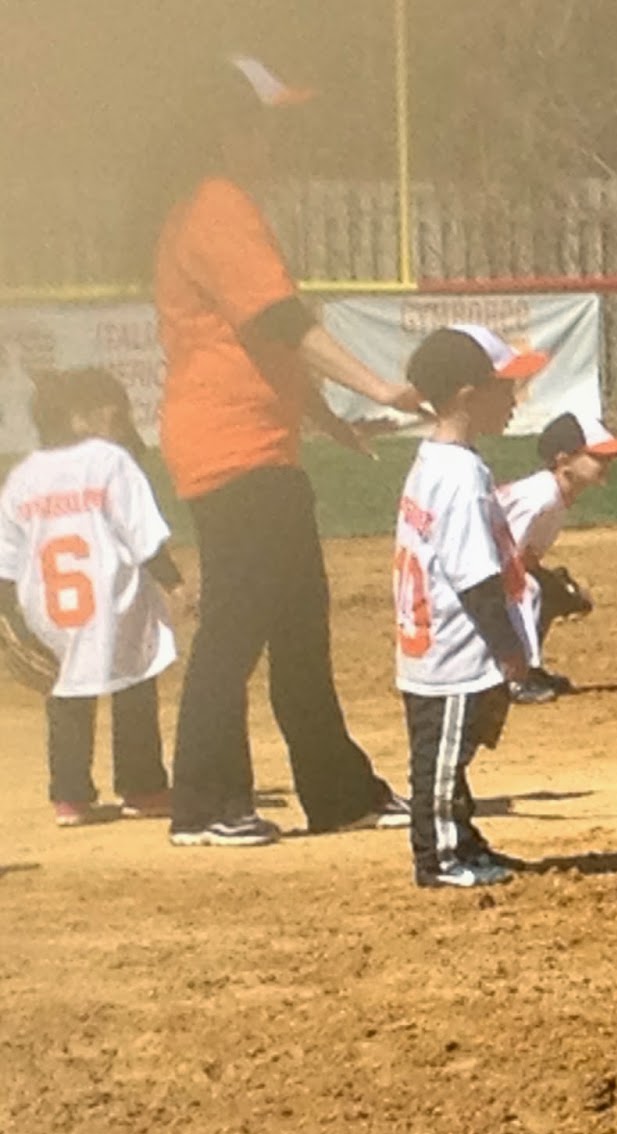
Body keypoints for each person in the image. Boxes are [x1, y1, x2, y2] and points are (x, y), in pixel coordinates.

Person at [146, 56, 424, 847]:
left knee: (300, 622)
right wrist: (381, 387)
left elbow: (263, 345)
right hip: (231, 448)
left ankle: (337, 790)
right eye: (263, 124)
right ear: (227, 131)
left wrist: (333, 421)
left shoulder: (217, 205)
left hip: (259, 444)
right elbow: (280, 323)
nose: (274, 140)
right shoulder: (216, 205)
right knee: (238, 622)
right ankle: (202, 801)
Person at [0, 370, 185, 826]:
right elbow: (140, 533)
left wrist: (10, 622)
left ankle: (70, 797)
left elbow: (5, 559)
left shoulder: (23, 475)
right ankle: (142, 787)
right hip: (113, 598)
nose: (117, 414)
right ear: (77, 417)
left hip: (50, 608)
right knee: (133, 686)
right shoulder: (108, 460)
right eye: (107, 405)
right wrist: (175, 582)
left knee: (66, 693)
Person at [395, 325, 544, 888]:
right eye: (502, 386)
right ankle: (438, 856)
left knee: (449, 757)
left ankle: (462, 839)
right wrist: (509, 649)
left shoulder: (438, 461)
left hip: (435, 643)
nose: (513, 398)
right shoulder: (458, 475)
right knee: (438, 762)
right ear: (465, 395)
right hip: (450, 652)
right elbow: (475, 577)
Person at [496, 411, 617, 704]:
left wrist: (551, 583)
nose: (607, 463)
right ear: (563, 461)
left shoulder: (557, 496)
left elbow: (523, 557)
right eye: (597, 456)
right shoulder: (540, 497)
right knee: (527, 589)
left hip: (483, 572)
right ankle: (514, 678)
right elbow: (502, 562)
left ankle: (528, 669)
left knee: (548, 589)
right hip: (455, 582)